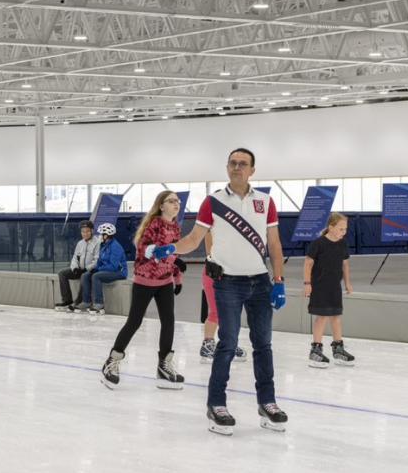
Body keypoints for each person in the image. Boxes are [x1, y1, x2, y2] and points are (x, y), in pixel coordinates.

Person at [169, 148, 288, 436]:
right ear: (227, 168)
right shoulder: (213, 202)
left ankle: (267, 402)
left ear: (252, 170)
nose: (237, 167)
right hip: (227, 282)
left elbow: (273, 243)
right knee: (227, 343)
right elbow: (195, 238)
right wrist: (169, 249)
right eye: (233, 163)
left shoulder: (265, 202)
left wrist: (279, 279)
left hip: (260, 282)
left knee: (263, 344)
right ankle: (216, 404)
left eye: (243, 164)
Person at [100, 191, 186, 390]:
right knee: (135, 321)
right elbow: (142, 247)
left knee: (168, 321)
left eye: (178, 201)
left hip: (164, 281)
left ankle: (164, 366)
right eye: (171, 201)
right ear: (161, 205)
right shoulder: (154, 224)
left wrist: (177, 277)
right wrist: (157, 250)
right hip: (145, 281)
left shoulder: (175, 227)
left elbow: (175, 254)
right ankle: (111, 361)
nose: (176, 204)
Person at [304, 212, 355, 367]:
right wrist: (307, 283)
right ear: (331, 227)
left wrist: (347, 283)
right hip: (320, 286)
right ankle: (316, 350)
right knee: (322, 317)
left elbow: (345, 265)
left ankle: (338, 348)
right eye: (340, 229)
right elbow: (308, 263)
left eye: (345, 229)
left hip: (334, 286)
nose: (343, 232)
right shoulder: (318, 244)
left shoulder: (342, 244)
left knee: (336, 316)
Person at [198, 233, 248, 363]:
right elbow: (209, 243)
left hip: (230, 273)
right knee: (216, 311)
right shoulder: (213, 228)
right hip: (214, 272)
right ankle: (207, 345)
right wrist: (212, 261)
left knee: (230, 311)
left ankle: (229, 344)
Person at [81, 223, 127, 315]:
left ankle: (99, 304)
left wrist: (99, 269)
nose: (99, 236)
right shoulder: (104, 245)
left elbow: (114, 266)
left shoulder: (115, 246)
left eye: (101, 234)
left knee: (96, 276)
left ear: (106, 235)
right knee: (86, 275)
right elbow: (100, 261)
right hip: (106, 270)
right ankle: (86, 302)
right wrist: (95, 268)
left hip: (119, 272)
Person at [55, 220, 100, 312]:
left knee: (84, 276)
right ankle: (67, 300)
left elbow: (97, 260)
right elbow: (75, 257)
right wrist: (75, 268)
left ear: (92, 231)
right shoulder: (80, 243)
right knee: (62, 273)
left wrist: (86, 269)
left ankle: (78, 302)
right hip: (79, 269)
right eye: (83, 231)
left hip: (91, 270)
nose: (85, 233)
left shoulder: (97, 243)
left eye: (87, 231)